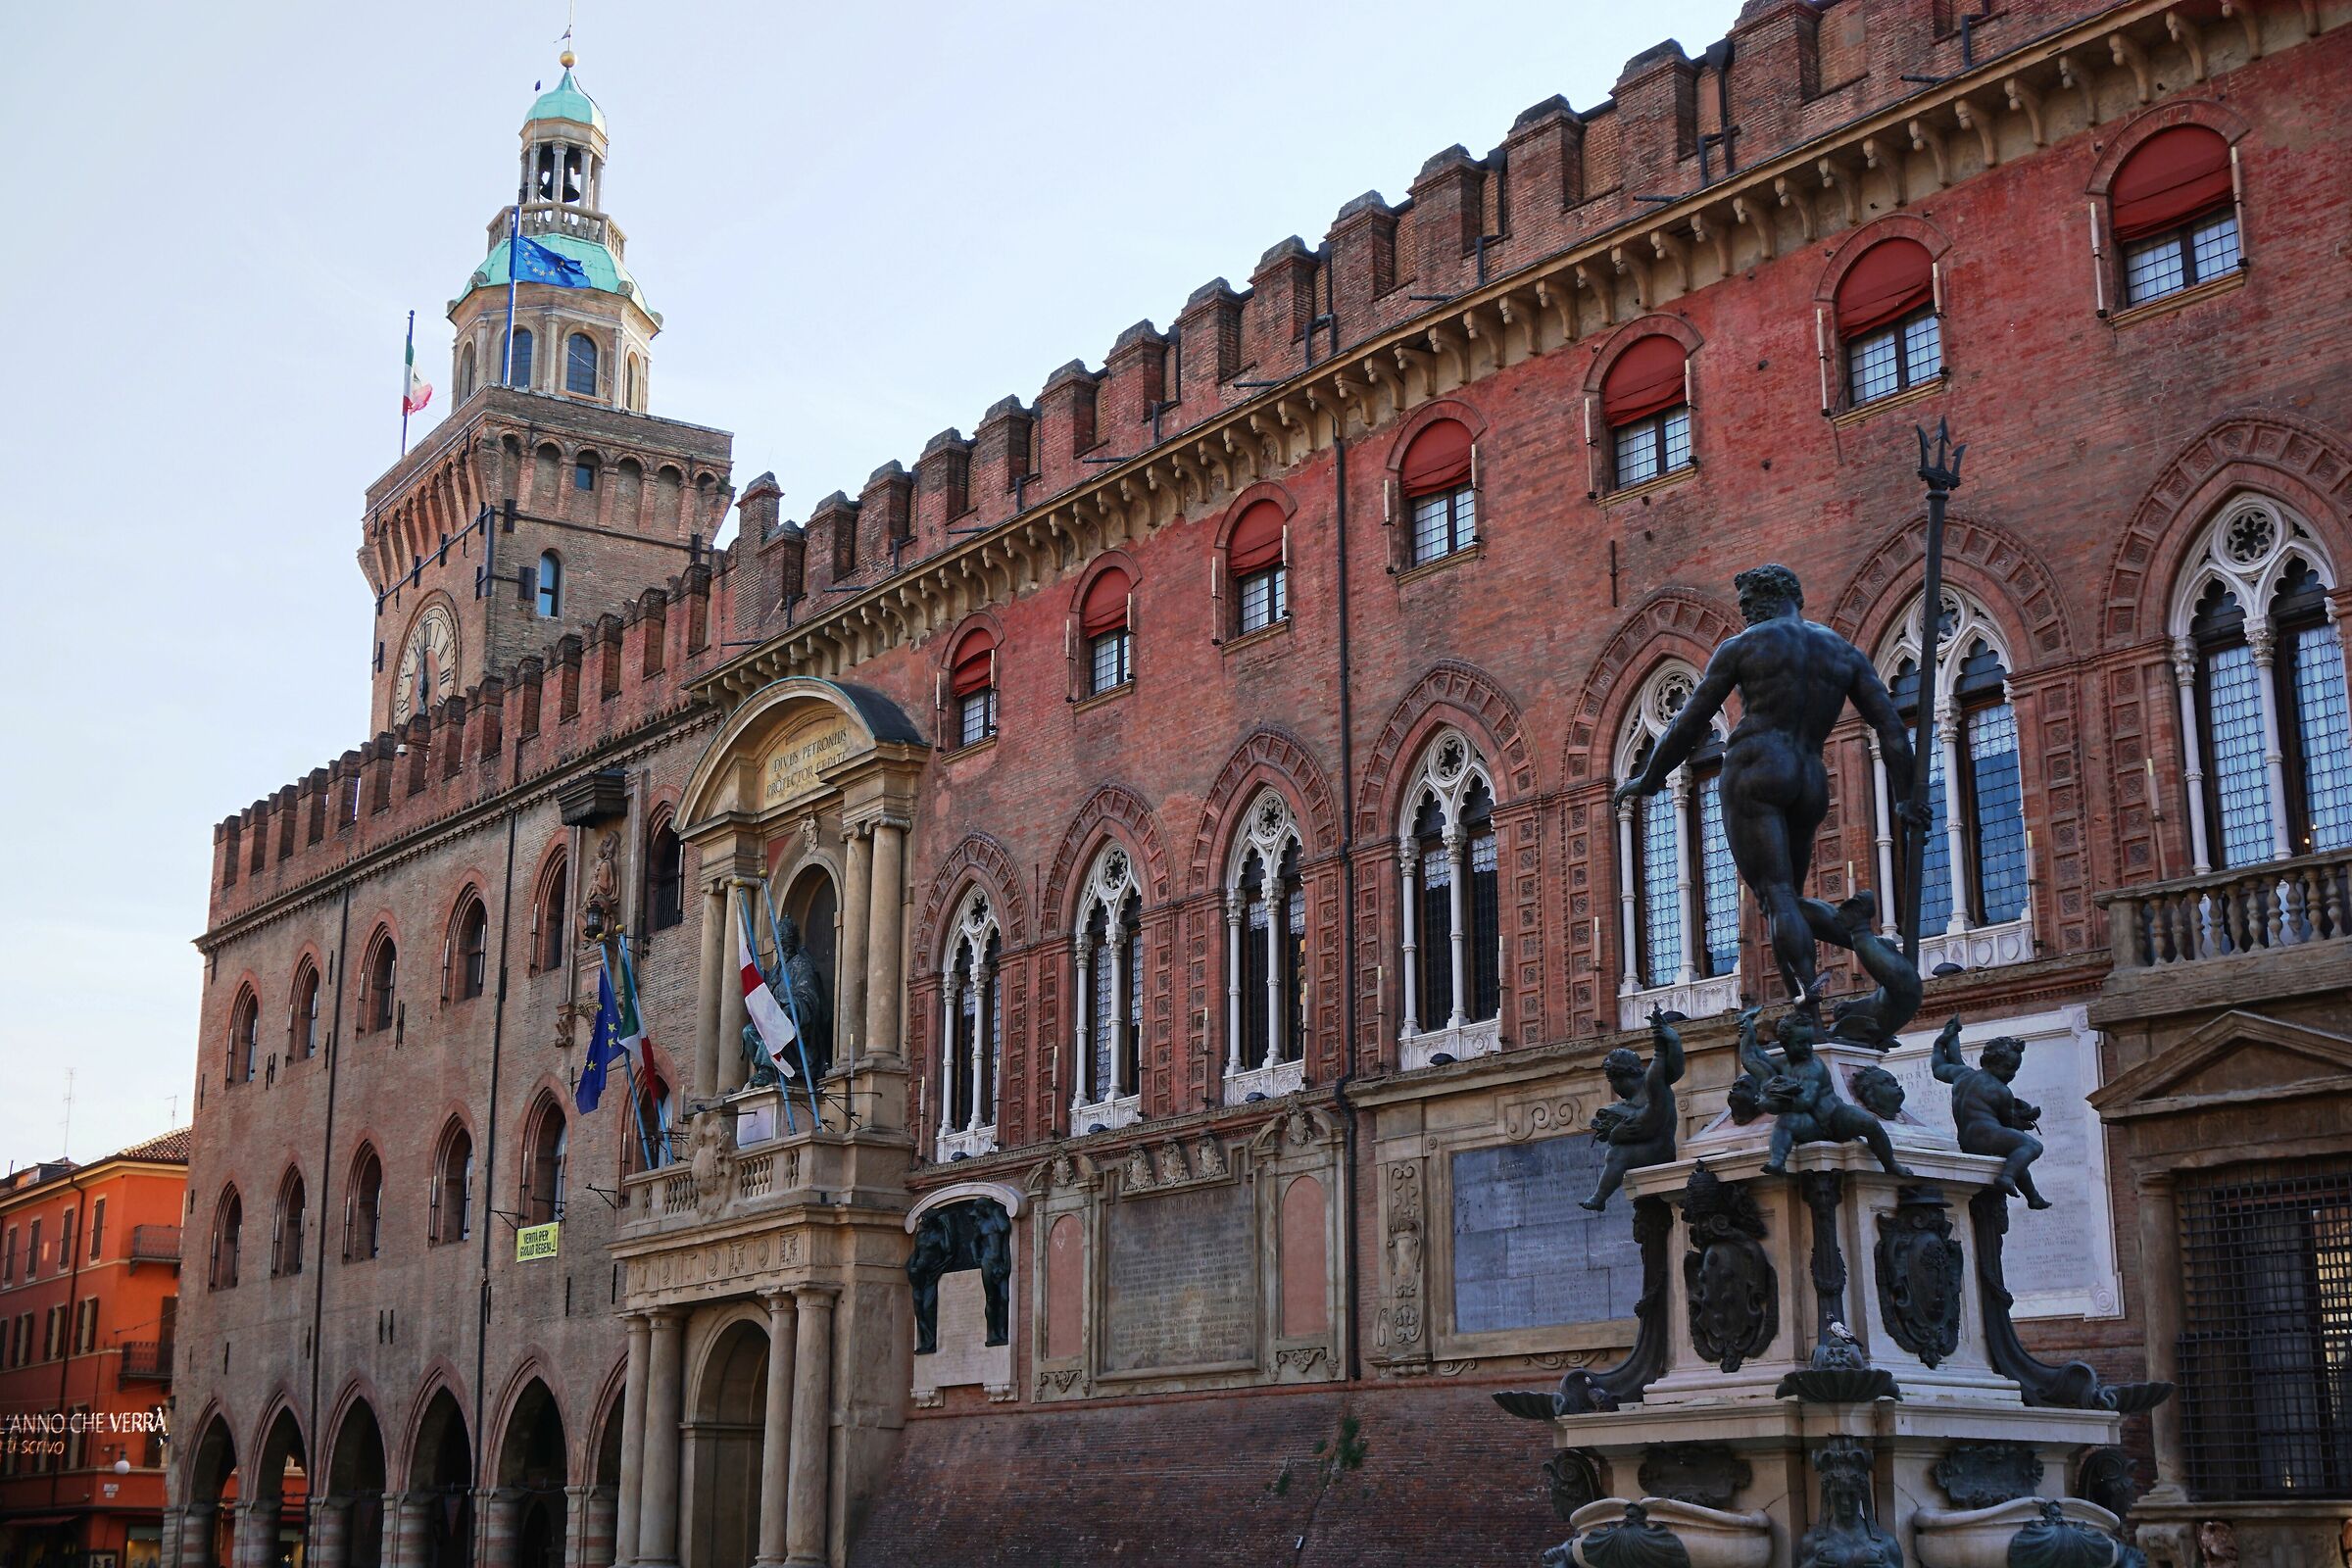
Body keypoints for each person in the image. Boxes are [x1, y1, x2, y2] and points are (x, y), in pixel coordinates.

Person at [1614, 564, 1918, 1020]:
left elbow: (1690, 720)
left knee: (1776, 896)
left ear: (1763, 599)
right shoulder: (1843, 653)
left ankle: (1806, 1003)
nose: (1742, 612)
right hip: (1810, 777)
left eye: (1745, 604)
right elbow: (1892, 729)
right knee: (1788, 898)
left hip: (1757, 768)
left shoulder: (1744, 646)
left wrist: (1652, 777)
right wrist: (1907, 797)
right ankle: (1856, 934)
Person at [1737, 1005, 1910, 1179]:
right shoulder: (1782, 1064)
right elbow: (1752, 1058)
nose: (1807, 1048)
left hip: (1834, 1116)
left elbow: (1806, 1101)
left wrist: (1773, 1099)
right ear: (1785, 1044)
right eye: (1801, 1043)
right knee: (1785, 1122)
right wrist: (1747, 1032)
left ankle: (1890, 1163)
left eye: (1809, 1042)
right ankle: (1777, 1161)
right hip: (1812, 1123)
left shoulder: (1813, 1067)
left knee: (1869, 1122)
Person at [1932, 1018, 2052, 1209]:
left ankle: (2033, 1197)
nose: (2012, 1074)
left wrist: (1943, 1041)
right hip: (1986, 1136)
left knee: (2015, 1157)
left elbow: (1939, 1068)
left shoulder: (1963, 1075)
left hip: (1967, 1139)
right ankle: (2006, 1178)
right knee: (2031, 1145)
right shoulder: (2001, 1091)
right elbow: (2008, 1124)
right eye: (2010, 1068)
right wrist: (2025, 1119)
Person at [1581, 1008, 1686, 1211]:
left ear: (1618, 1078)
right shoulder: (1629, 1102)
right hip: (1649, 1148)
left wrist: (1669, 1042)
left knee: (1617, 1155)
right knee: (1617, 1152)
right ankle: (1600, 1197)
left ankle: (1599, 1197)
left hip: (1660, 1149)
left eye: (1611, 1081)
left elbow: (1669, 1065)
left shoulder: (1652, 1084)